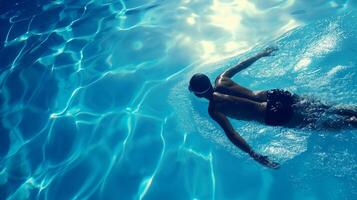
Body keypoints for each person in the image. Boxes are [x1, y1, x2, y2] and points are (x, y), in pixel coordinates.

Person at [188, 47, 357, 169]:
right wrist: (261, 54)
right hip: (274, 95)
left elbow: (232, 134)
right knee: (326, 108)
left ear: (197, 94)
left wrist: (253, 153)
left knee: (319, 124)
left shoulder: (214, 109)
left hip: (271, 114)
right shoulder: (221, 79)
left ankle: (353, 123)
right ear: (209, 81)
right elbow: (240, 65)